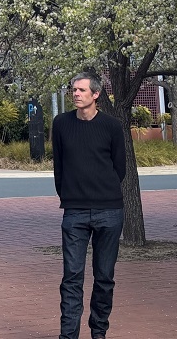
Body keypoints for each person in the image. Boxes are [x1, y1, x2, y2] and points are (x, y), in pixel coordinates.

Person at [52, 73, 127, 339]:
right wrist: (71, 195)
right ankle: (68, 335)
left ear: (95, 95)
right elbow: (58, 167)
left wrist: (102, 192)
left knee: (104, 277)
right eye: (73, 89)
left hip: (109, 211)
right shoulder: (61, 124)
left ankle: (99, 332)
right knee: (71, 277)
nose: (75, 94)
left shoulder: (111, 126)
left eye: (81, 90)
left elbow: (120, 168)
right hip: (74, 212)